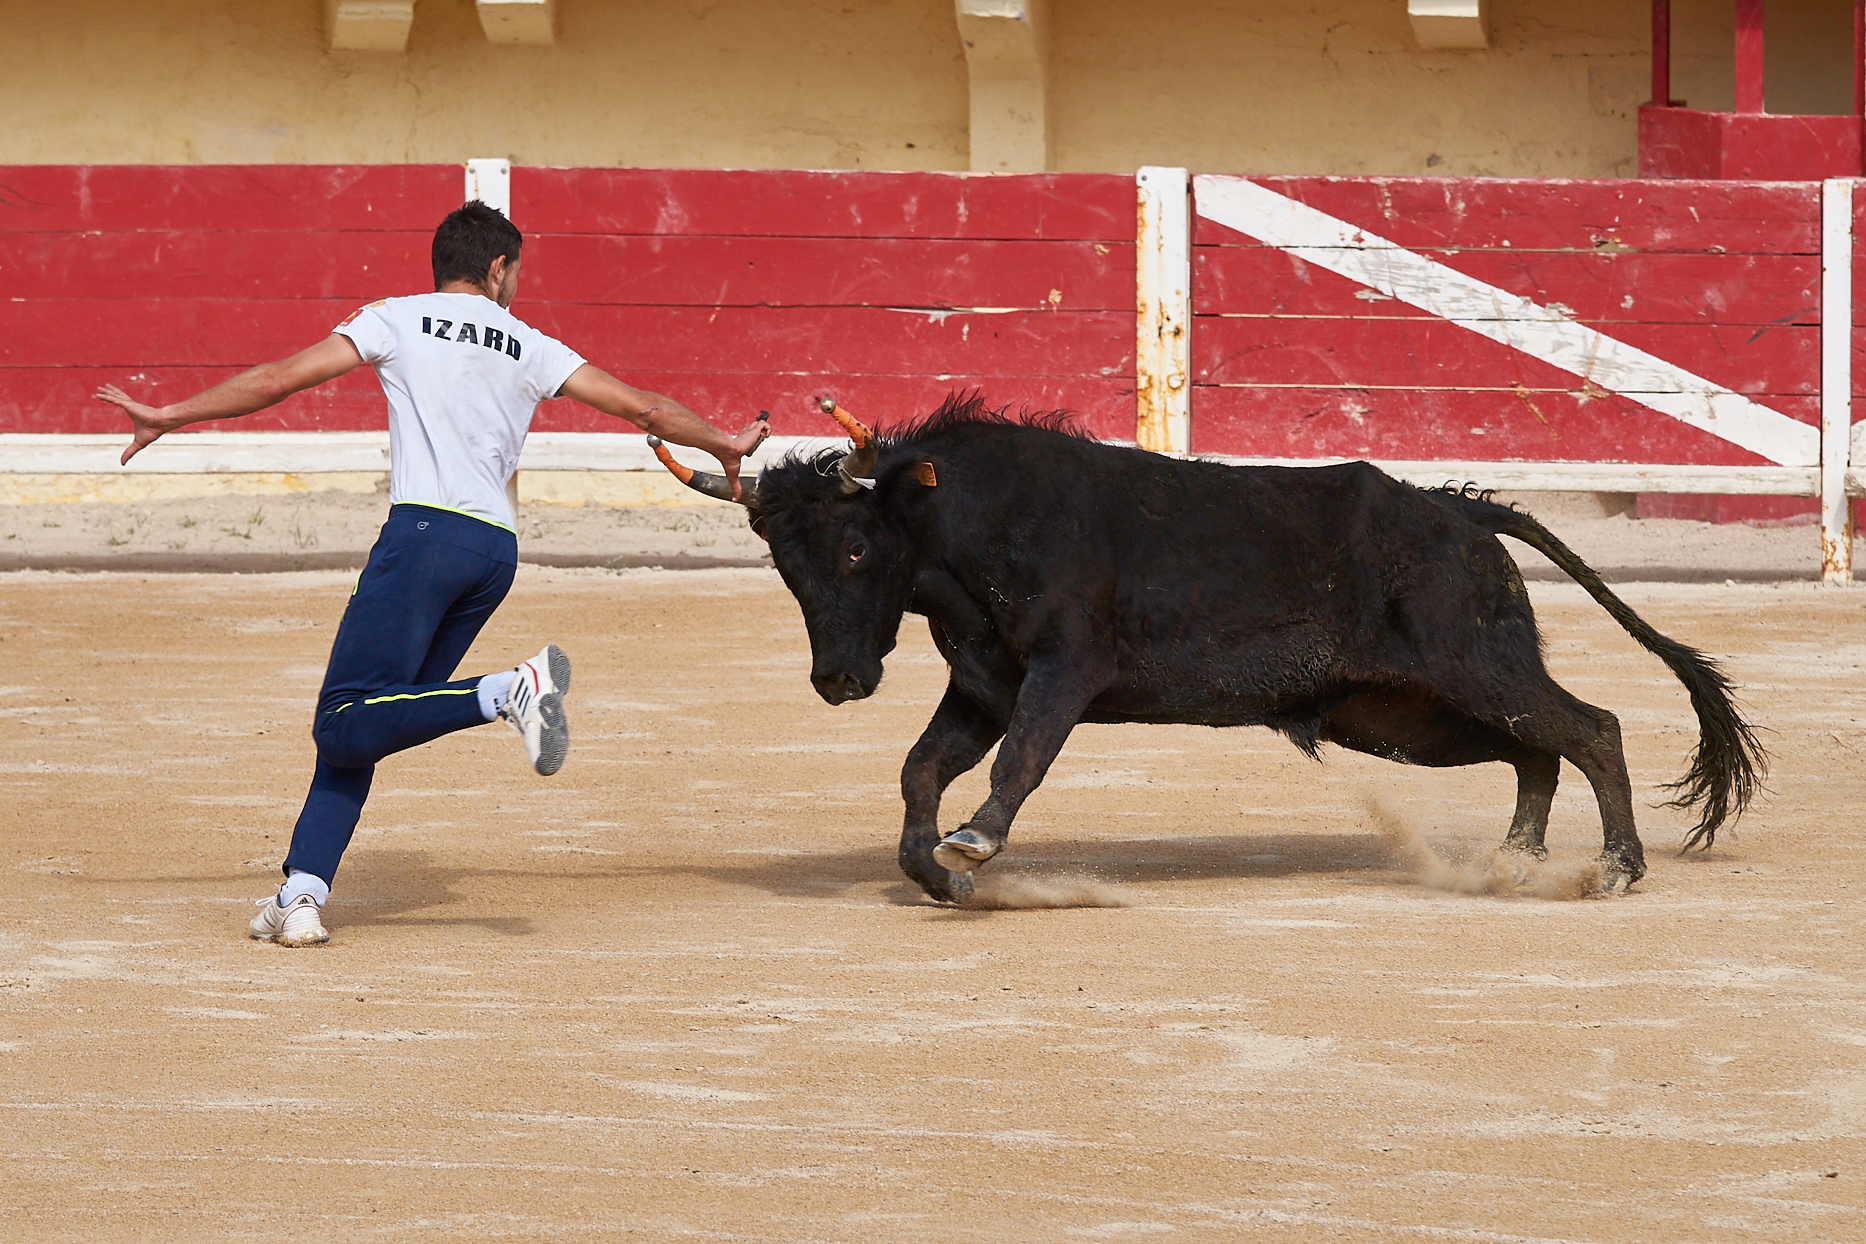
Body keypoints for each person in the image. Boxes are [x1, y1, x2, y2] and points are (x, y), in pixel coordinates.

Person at [96, 201, 769, 947]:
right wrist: (721, 442)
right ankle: (301, 893)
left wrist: (172, 415)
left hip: (421, 539)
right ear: (497, 267)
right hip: (493, 555)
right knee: (375, 719)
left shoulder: (396, 318)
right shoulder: (530, 344)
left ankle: (506, 690)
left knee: (344, 715)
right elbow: (641, 405)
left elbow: (280, 379)